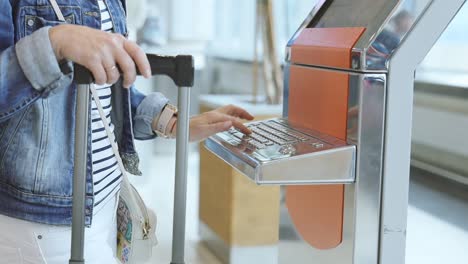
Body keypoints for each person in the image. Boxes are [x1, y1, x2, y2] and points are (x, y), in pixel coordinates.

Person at [0, 0, 254, 263]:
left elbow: (105, 92)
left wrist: (171, 121)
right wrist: (54, 43)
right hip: (43, 222)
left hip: (108, 202)